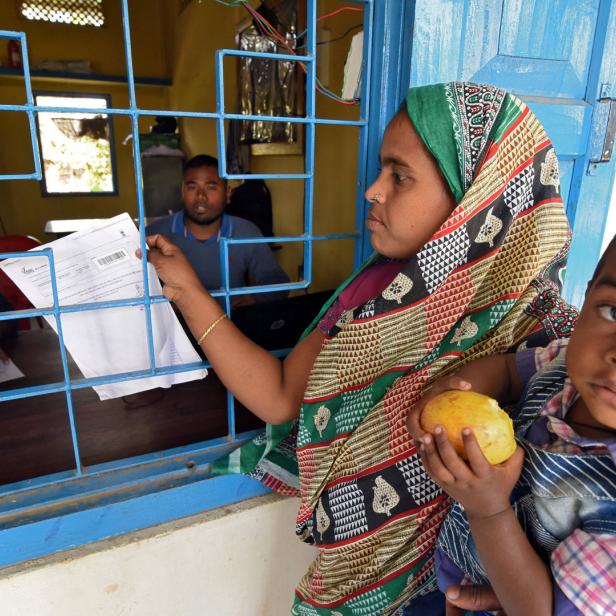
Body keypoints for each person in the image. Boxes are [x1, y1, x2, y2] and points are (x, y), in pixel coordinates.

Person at [143, 82, 576, 615]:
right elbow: (282, 397)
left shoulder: (551, 335)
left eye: (399, 175)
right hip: (361, 571)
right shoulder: (371, 291)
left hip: (482, 590)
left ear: (476, 197)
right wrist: (187, 291)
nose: (372, 190)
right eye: (380, 171)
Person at [409, 235, 616, 616]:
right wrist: (446, 396)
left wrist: (488, 509)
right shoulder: (565, 363)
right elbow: (506, 371)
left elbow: (539, 611)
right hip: (450, 574)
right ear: (587, 296)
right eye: (612, 313)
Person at [145, 154, 289, 306]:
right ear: (182, 191)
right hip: (177, 327)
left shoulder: (245, 231)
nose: (201, 196)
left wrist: (254, 298)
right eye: (192, 187)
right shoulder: (155, 234)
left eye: (211, 187)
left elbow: (278, 281)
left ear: (227, 193)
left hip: (231, 324)